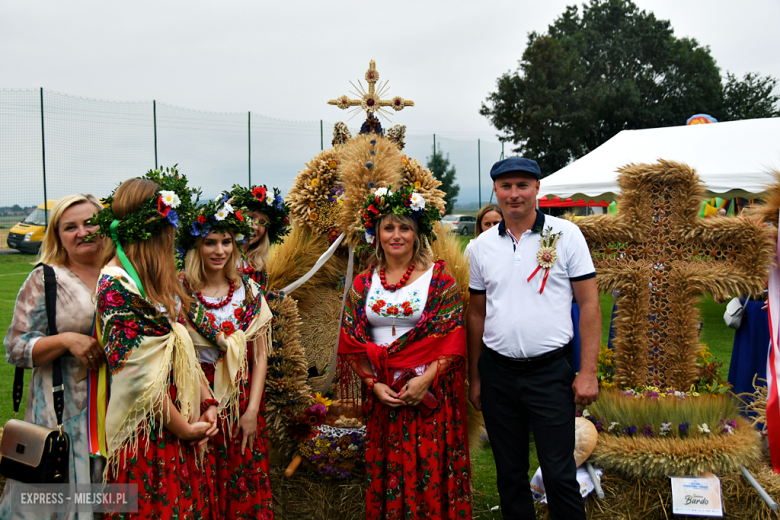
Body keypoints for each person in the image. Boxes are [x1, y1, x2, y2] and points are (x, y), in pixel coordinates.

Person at [467, 157, 600, 520]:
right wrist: (476, 378)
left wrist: (588, 371)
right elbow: (476, 313)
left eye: (522, 186)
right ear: (495, 190)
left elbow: (588, 303)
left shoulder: (566, 234)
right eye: (506, 186)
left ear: (537, 188)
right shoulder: (481, 247)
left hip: (549, 372)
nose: (514, 194)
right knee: (509, 474)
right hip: (498, 374)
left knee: (559, 474)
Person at [339, 186, 472, 519]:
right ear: (377, 234)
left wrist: (425, 380)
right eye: (389, 227)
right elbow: (352, 340)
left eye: (405, 228)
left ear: (417, 234)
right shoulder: (363, 284)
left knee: (429, 468)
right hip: (384, 395)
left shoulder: (439, 280)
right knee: (387, 471)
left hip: (428, 396)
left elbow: (453, 337)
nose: (396, 235)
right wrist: (373, 385)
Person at [92, 170, 219, 519]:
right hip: (148, 434)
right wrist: (183, 427)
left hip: (181, 420)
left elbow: (182, 351)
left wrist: (206, 403)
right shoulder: (115, 286)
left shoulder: (160, 280)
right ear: (158, 232)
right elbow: (138, 372)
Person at [1, 194, 106, 519]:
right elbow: (16, 348)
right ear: (57, 236)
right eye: (69, 227)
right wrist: (66, 340)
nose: (82, 231)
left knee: (112, 502)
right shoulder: (46, 279)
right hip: (61, 419)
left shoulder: (123, 275)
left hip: (114, 416)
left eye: (90, 222)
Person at [179, 192, 274, 519]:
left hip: (241, 397)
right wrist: (200, 403)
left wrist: (251, 410)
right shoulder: (181, 294)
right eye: (210, 242)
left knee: (242, 480)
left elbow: (260, 356)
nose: (219, 250)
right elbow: (179, 355)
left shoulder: (249, 291)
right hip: (196, 398)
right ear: (196, 247)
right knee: (201, 481)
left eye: (226, 242)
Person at [230, 184, 291, 292]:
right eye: (250, 217)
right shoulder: (218, 258)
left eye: (263, 222)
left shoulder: (258, 267)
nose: (255, 226)